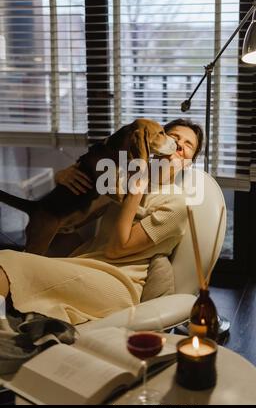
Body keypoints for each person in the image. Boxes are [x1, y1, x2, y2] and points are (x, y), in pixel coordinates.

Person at [0, 119, 203, 325]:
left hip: (118, 283)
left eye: (188, 145)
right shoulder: (118, 178)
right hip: (82, 262)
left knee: (7, 262)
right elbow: (73, 208)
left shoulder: (176, 203)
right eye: (174, 137)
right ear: (155, 144)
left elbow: (116, 249)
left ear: (190, 161)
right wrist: (63, 176)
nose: (179, 145)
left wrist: (137, 185)